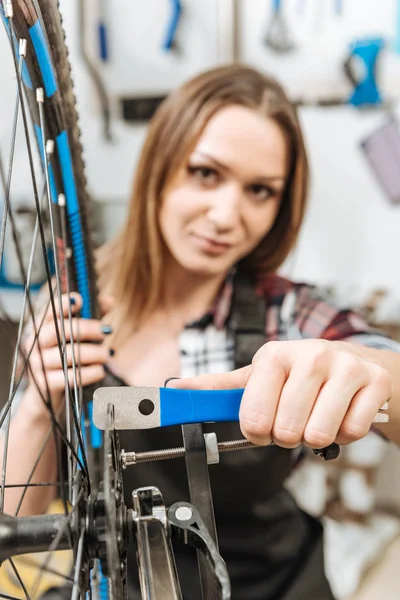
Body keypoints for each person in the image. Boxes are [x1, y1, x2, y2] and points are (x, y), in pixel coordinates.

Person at [3, 64, 400, 600]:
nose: (226, 215)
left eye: (260, 190)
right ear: (160, 167)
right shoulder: (71, 301)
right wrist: (34, 403)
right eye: (206, 174)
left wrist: (368, 372)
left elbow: (376, 358)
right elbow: (14, 522)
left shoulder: (289, 313)